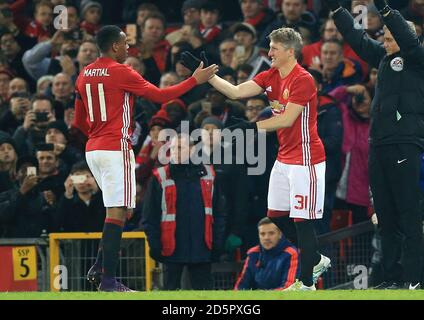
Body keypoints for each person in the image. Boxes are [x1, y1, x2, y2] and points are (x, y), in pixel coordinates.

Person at [181, 27, 331, 290]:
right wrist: (207, 76)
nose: (269, 52)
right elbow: (236, 92)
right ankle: (315, 258)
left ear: (290, 51)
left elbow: (287, 119)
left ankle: (306, 282)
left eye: (274, 48)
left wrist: (251, 127)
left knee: (302, 220)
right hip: (285, 157)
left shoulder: (303, 79)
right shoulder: (271, 75)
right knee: (275, 213)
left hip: (306, 158)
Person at [72, 25, 218, 292]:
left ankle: (98, 267)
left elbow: (79, 121)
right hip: (116, 146)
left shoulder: (83, 74)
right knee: (119, 212)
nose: (128, 48)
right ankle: (108, 282)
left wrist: (97, 136)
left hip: (93, 149)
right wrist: (195, 80)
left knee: (117, 210)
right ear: (114, 46)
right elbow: (160, 96)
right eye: (125, 43)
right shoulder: (121, 71)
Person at [325, 0, 424, 290]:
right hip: (378, 144)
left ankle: (415, 279)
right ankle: (391, 279)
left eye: (392, 37)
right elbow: (357, 38)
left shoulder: (418, 58)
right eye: (386, 37)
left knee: (408, 215)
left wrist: (385, 10)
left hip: (405, 144)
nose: (387, 41)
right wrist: (338, 11)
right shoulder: (383, 57)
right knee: (386, 217)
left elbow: (405, 39)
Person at [142, 133, 226, 290]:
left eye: (180, 148)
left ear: (193, 149)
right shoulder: (159, 177)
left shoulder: (210, 175)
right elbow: (149, 216)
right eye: (172, 148)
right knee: (169, 295)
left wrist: (217, 243)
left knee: (204, 295)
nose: (175, 152)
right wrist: (154, 244)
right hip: (170, 247)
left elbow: (219, 213)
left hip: (202, 247)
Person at [234, 217, 299, 290]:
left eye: (271, 233)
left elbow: (289, 288)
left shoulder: (290, 253)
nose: (266, 238)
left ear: (280, 234)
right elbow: (240, 286)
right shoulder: (253, 253)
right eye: (262, 234)